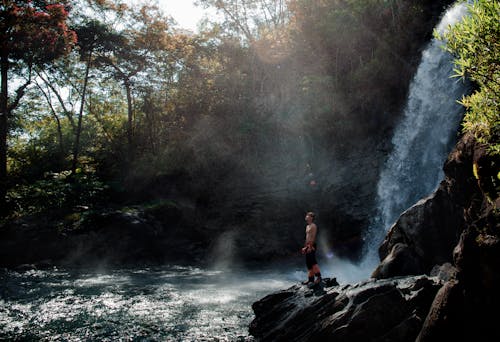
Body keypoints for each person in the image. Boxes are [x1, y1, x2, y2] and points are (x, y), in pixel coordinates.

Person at [301, 211, 322, 285]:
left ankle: (319, 278)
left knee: (313, 262)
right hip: (307, 245)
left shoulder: (313, 226)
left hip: (311, 245)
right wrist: (305, 247)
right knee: (308, 263)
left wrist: (310, 246)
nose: (306, 217)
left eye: (307, 216)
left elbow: (312, 237)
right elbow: (307, 237)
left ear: (311, 218)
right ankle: (310, 279)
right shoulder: (307, 226)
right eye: (306, 215)